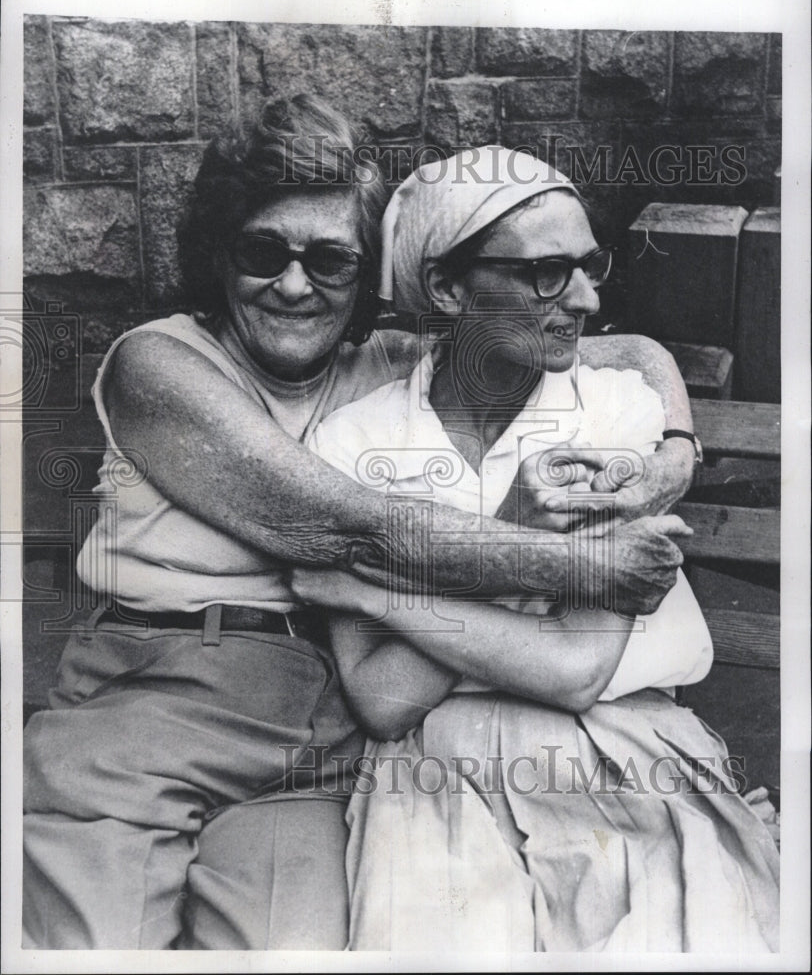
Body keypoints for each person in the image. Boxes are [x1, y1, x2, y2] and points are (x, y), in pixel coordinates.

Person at [23, 97, 696, 950]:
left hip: (318, 736)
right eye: (263, 252)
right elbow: (343, 530)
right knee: (95, 950)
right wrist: (579, 568)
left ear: (364, 271)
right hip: (150, 698)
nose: (295, 285)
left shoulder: (382, 368)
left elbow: (630, 353)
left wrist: (674, 452)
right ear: (218, 253)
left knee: (292, 954)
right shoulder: (160, 363)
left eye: (330, 260)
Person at [292, 147, 781, 953]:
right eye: (547, 273)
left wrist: (385, 597)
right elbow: (383, 701)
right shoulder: (357, 440)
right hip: (430, 771)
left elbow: (575, 669)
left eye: (590, 267)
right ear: (449, 289)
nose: (586, 300)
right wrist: (521, 540)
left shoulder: (615, 416)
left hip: (621, 749)